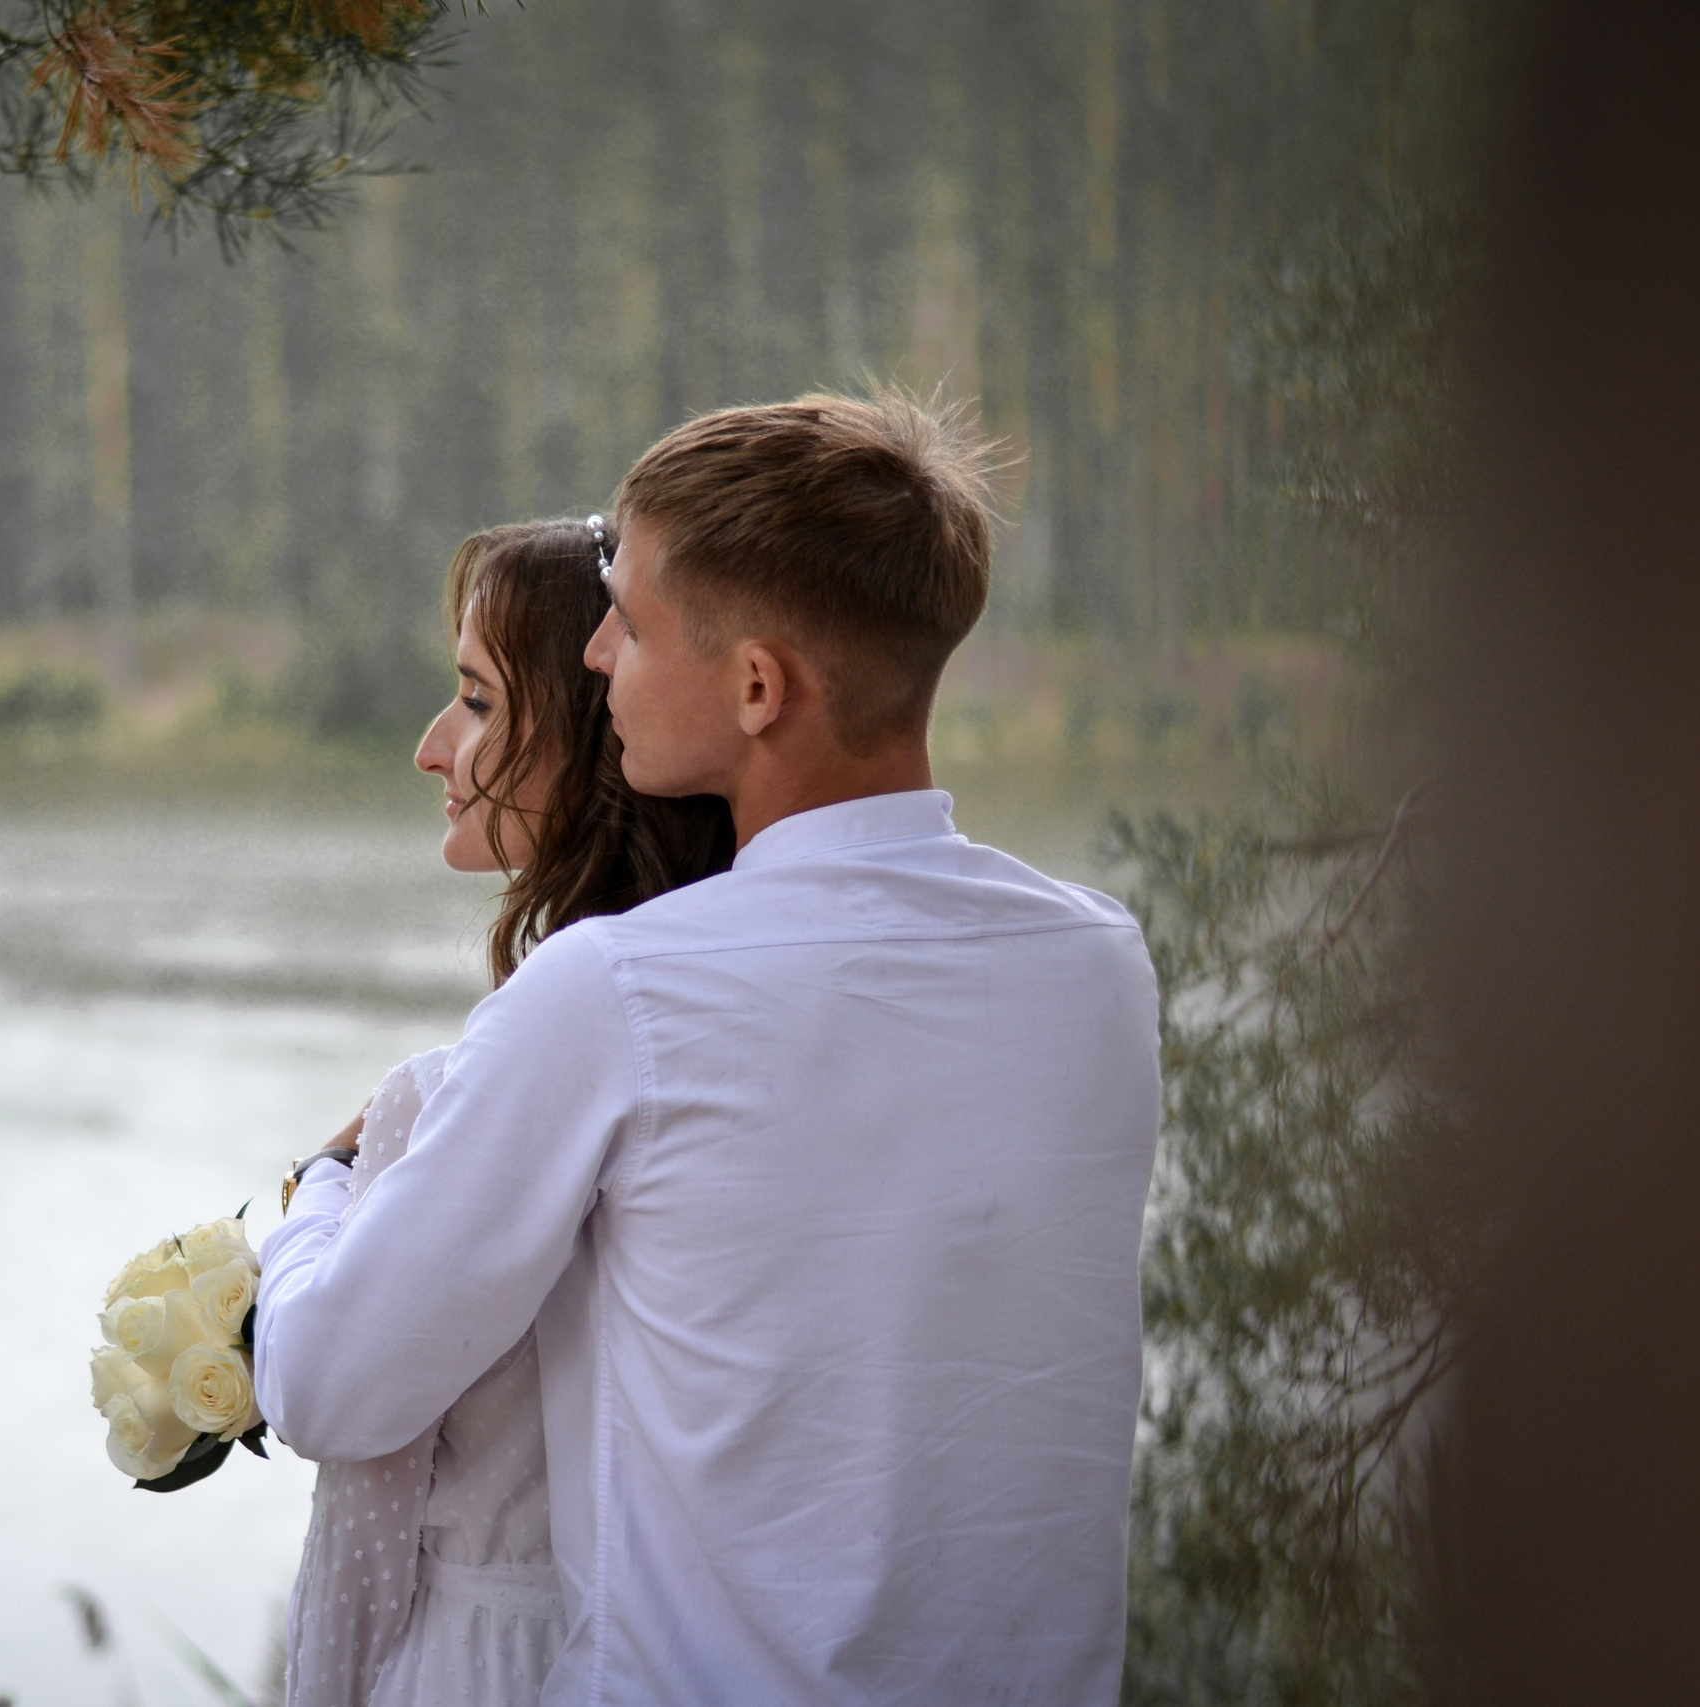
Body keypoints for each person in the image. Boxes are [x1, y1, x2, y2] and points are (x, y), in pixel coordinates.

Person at [257, 393, 1162, 1705]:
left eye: (628, 616)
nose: (599, 654)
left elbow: (334, 1382)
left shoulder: (620, 994)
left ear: (756, 686)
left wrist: (315, 1191)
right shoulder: (1099, 965)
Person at [275, 517, 732, 1707]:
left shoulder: (524, 1059)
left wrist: (314, 1196)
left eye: (477, 701)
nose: (433, 749)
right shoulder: (715, 1016)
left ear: (592, 734)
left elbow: (332, 1388)